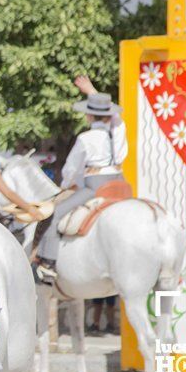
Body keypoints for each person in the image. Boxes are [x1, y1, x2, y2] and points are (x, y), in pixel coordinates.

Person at [33, 76, 127, 284]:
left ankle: (47, 264)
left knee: (55, 213)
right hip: (120, 183)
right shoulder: (118, 129)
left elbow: (71, 169)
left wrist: (66, 186)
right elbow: (115, 117)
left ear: (88, 116)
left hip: (95, 185)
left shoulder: (86, 139)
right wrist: (92, 91)